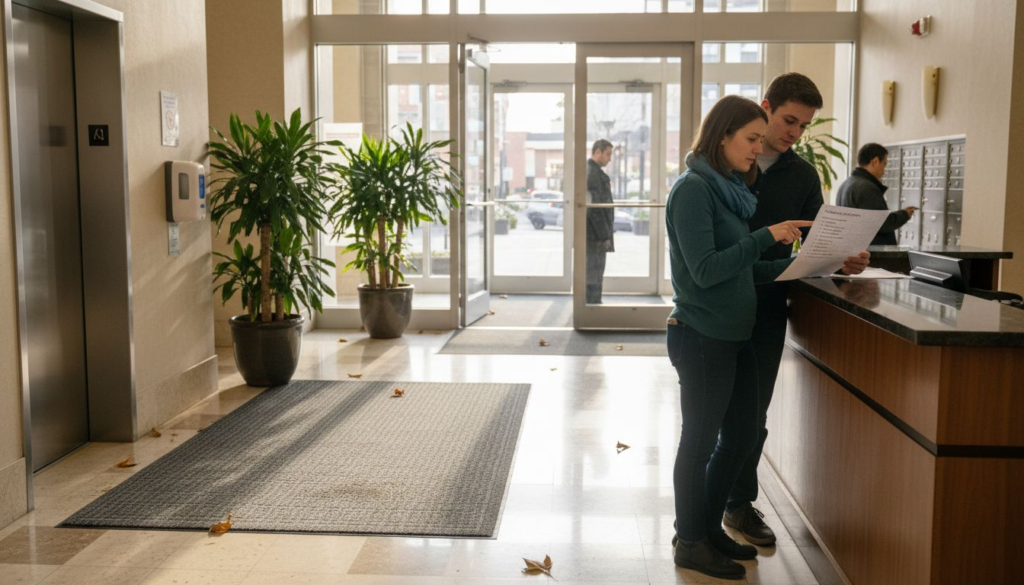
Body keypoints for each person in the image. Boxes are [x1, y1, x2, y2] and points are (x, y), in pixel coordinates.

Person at [666, 95, 812, 580]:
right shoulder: (692, 191)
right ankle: (690, 540)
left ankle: (706, 529)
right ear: (722, 135)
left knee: (744, 435)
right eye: (750, 139)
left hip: (735, 335)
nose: (757, 148)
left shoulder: (729, 189)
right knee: (700, 441)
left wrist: (807, 264)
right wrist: (765, 236)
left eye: (758, 139)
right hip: (702, 335)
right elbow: (706, 271)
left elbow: (745, 270)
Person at [726, 73, 870, 547]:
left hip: (768, 305)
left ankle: (739, 503)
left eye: (803, 126)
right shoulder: (724, 164)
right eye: (789, 120)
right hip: (720, 304)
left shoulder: (803, 175)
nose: (794, 133)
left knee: (754, 413)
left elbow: (817, 240)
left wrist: (845, 255)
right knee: (713, 413)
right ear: (765, 106)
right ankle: (704, 507)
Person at [836, 142, 917, 245]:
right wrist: (905, 214)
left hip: (855, 249)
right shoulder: (867, 188)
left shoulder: (846, 184)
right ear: (875, 161)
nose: (884, 171)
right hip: (872, 254)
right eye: (884, 164)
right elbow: (883, 223)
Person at [586, 139, 615, 304]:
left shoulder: (592, 171)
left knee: (594, 272)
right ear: (597, 152)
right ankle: (593, 306)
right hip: (595, 235)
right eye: (608, 154)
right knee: (594, 272)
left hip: (595, 233)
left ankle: (592, 305)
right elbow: (595, 208)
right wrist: (605, 234)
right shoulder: (593, 174)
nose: (609, 158)